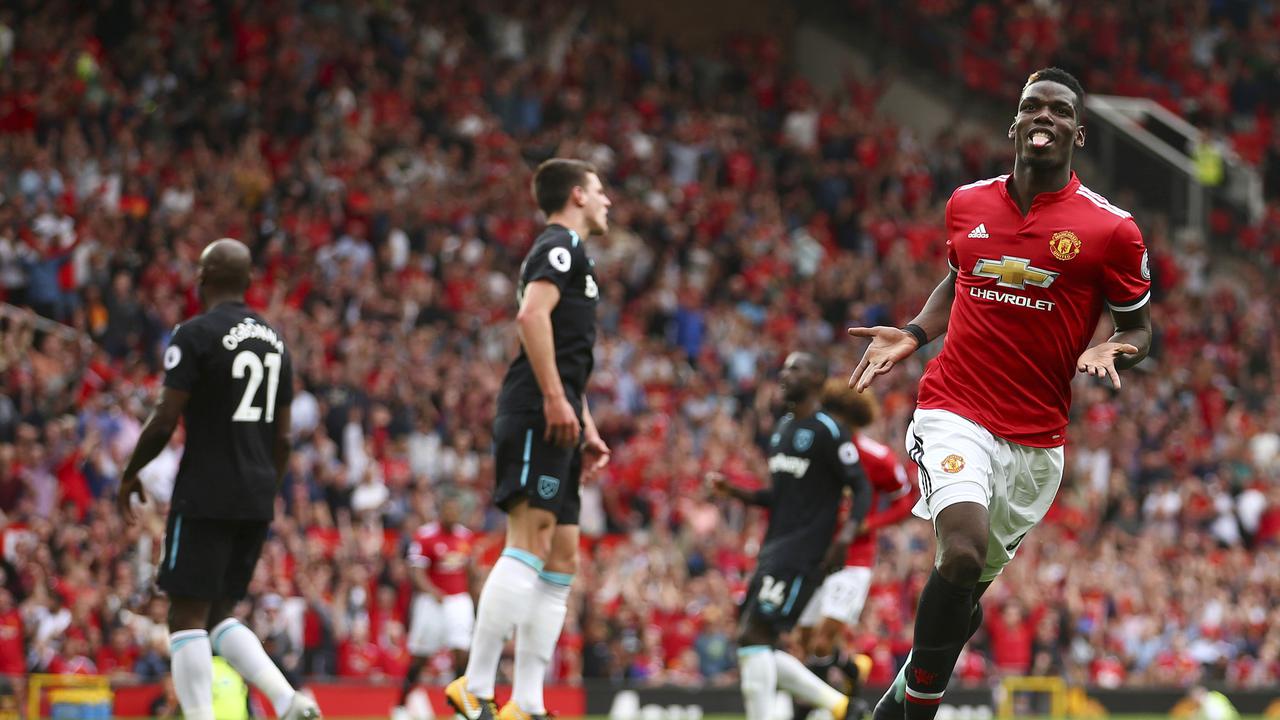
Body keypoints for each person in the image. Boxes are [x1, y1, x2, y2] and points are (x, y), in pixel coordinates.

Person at [847, 67, 1153, 720]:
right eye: (1031, 107)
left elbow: (1140, 326)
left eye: (1058, 110)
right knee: (958, 553)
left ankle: (901, 695)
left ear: (1077, 130)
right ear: (1015, 123)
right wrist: (913, 333)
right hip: (954, 408)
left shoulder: (1111, 230)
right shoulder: (968, 203)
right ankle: (921, 707)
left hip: (1037, 444)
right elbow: (956, 280)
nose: (1044, 116)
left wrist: (1111, 349)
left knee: (961, 597)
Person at [118, 238, 322, 720]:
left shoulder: (194, 334)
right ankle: (289, 699)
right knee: (219, 615)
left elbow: (167, 417)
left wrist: (131, 473)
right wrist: (263, 492)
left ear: (200, 280)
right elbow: (286, 437)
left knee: (185, 616)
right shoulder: (276, 341)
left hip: (206, 489)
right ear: (249, 283)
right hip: (255, 493)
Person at [446, 159, 612, 720]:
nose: (607, 199)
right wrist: (555, 399)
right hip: (536, 411)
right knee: (530, 538)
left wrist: (583, 423)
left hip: (560, 415)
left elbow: (566, 353)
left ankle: (528, 703)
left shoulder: (578, 255)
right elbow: (530, 316)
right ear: (577, 196)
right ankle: (474, 682)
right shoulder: (558, 245)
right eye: (599, 190)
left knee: (563, 555)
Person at [709, 352, 873, 720]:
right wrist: (735, 491)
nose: (784, 375)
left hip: (804, 553)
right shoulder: (782, 429)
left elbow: (861, 488)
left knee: (754, 636)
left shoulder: (828, 430)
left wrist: (844, 539)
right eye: (783, 368)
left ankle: (836, 706)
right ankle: (841, 706)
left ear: (817, 378)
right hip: (775, 548)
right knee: (755, 640)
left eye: (795, 368)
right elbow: (779, 497)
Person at [795, 380, 919, 696]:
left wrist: (872, 523)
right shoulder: (815, 451)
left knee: (823, 638)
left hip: (855, 559)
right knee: (806, 641)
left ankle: (827, 707)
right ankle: (849, 669)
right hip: (815, 556)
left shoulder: (877, 457)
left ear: (853, 420)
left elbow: (906, 500)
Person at [396, 495, 474, 719]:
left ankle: (460, 709)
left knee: (461, 653)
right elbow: (416, 571)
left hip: (458, 601)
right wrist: (432, 591)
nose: (452, 515)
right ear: (440, 512)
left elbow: (468, 571)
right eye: (448, 510)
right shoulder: (425, 535)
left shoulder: (465, 537)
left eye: (455, 511)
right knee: (421, 656)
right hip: (432, 603)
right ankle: (401, 705)